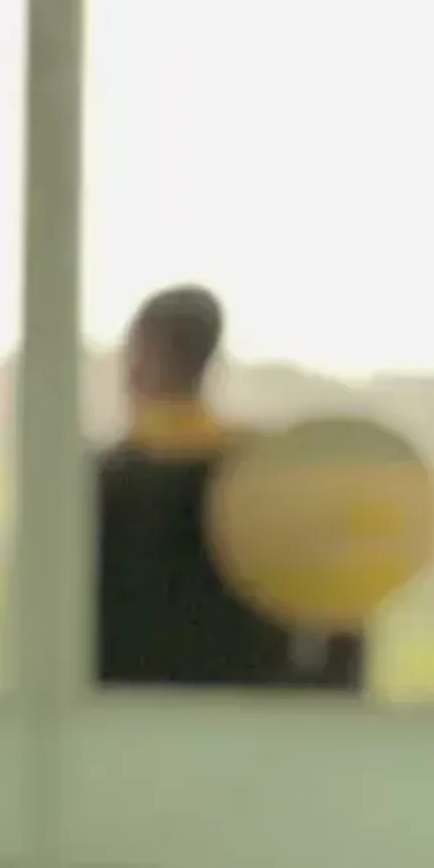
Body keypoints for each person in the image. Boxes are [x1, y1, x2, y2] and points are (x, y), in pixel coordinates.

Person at [93, 283, 364, 693]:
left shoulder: (102, 482)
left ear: (143, 356)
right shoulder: (263, 474)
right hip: (250, 716)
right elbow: (338, 610)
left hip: (127, 721)